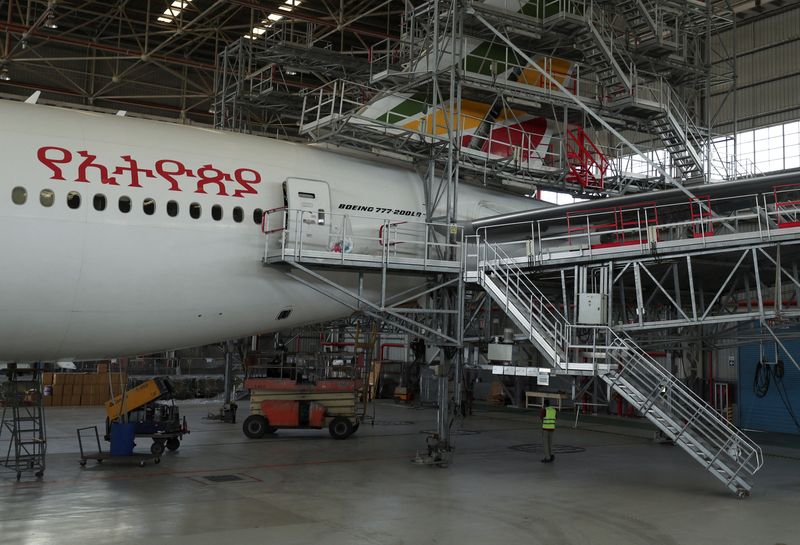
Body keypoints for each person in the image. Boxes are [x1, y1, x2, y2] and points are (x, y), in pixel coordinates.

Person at [540, 399, 557, 463]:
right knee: (550, 443)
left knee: (546, 444)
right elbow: (555, 417)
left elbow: (541, 417)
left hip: (545, 428)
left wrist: (542, 409)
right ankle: (551, 454)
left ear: (544, 404)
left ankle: (547, 458)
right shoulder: (554, 410)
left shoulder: (544, 410)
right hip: (552, 428)